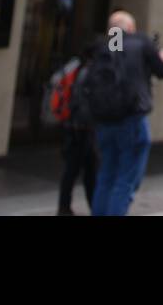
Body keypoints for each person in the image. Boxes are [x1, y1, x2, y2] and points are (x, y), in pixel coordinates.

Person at [88, 10, 163, 216]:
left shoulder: (104, 47)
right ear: (131, 28)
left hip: (105, 121)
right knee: (125, 180)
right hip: (131, 120)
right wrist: (162, 58)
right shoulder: (140, 42)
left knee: (106, 175)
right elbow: (162, 71)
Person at [54, 42, 99, 215]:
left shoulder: (79, 70)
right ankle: (90, 207)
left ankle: (67, 206)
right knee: (86, 171)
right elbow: (85, 104)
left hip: (74, 127)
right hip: (82, 129)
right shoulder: (89, 74)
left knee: (76, 170)